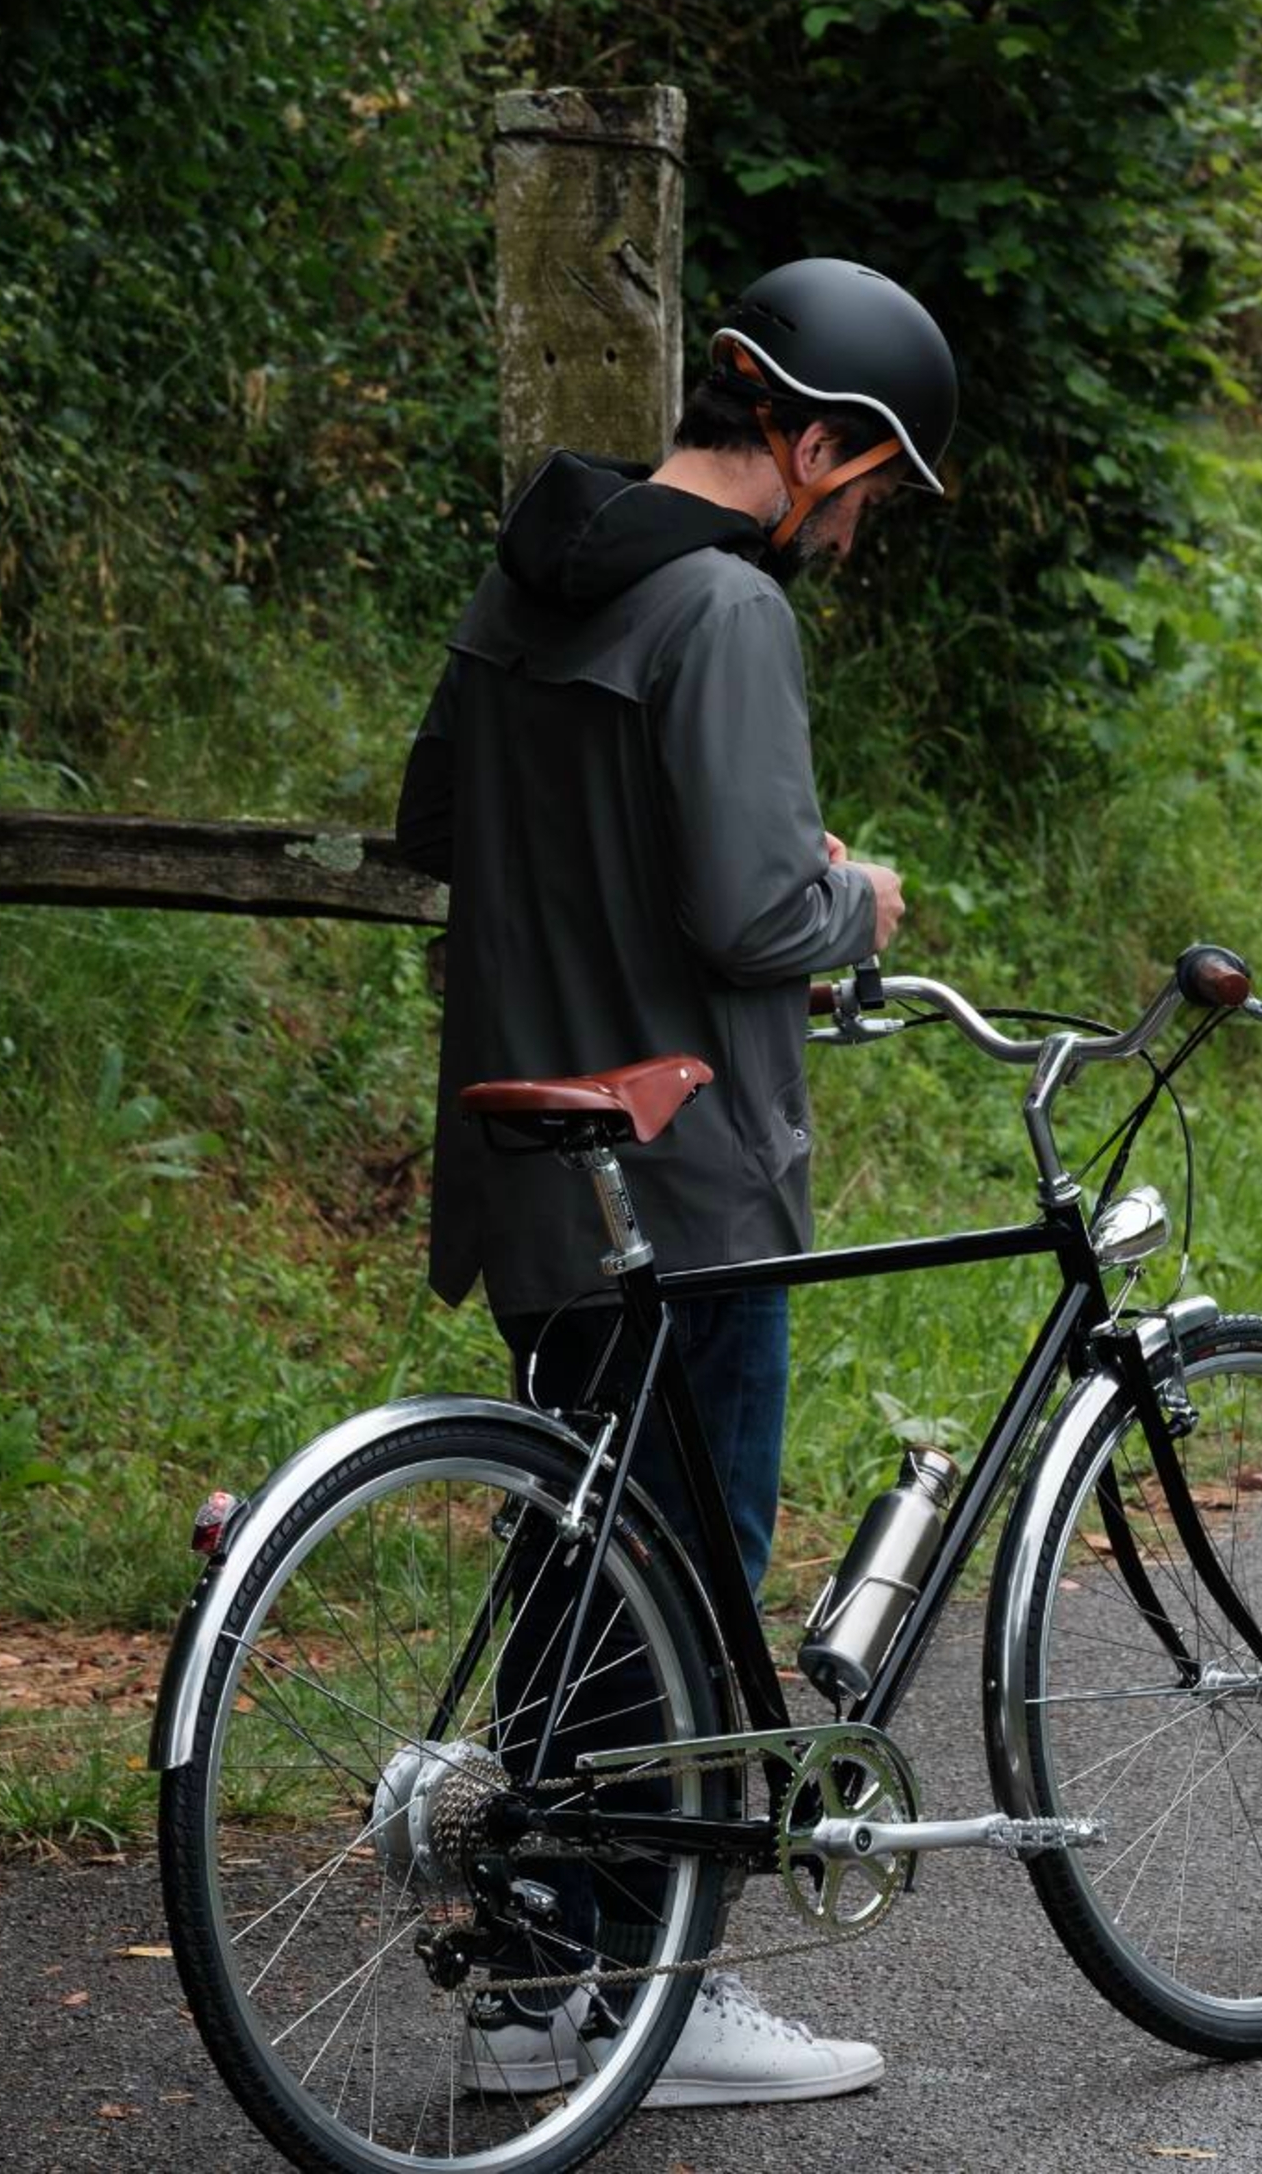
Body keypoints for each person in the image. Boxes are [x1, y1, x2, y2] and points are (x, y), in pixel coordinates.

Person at [394, 255, 958, 2108]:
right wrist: (849, 897)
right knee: (688, 1578)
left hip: (531, 1154)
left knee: (581, 1570)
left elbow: (437, 820)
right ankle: (656, 1988)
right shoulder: (723, 608)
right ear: (812, 442)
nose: (857, 529)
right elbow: (748, 908)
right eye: (867, 488)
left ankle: (539, 1978)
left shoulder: (528, 574)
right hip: (692, 1179)